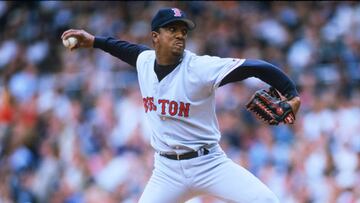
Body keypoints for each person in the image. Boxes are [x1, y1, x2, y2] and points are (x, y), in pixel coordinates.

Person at [61, 7, 300, 203]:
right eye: (172, 29)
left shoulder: (200, 68)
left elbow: (256, 67)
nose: (180, 35)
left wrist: (291, 95)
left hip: (209, 163)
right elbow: (123, 49)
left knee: (266, 200)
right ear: (155, 37)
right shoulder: (144, 61)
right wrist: (94, 41)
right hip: (166, 172)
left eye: (183, 30)